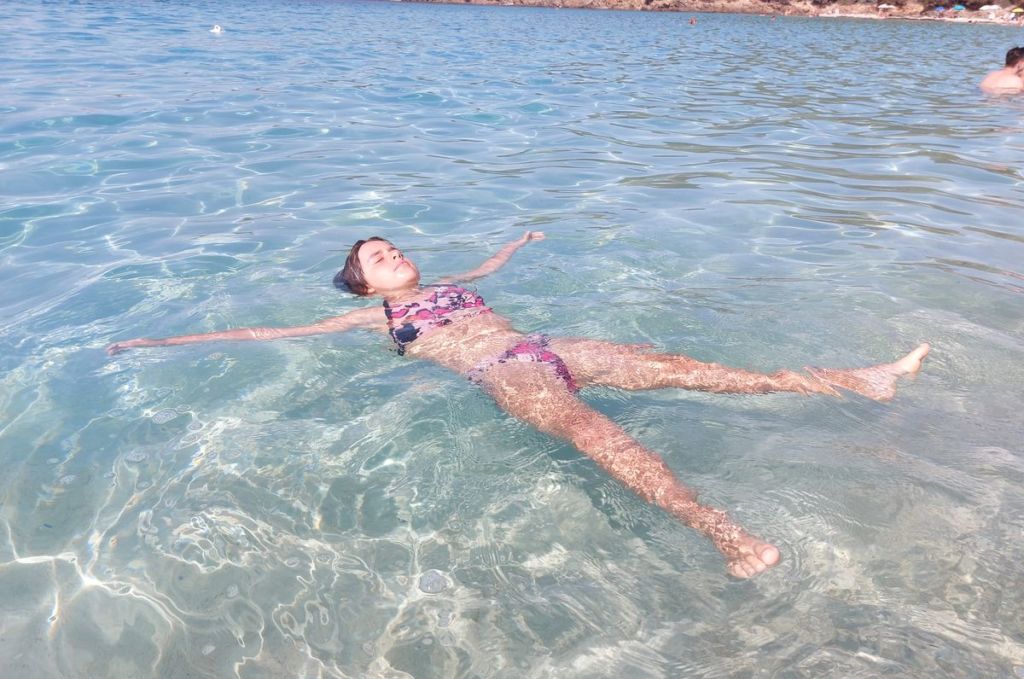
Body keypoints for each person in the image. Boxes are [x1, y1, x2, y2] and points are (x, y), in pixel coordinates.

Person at [108, 232, 930, 578]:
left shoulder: (458, 282)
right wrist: (159, 346)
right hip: (507, 376)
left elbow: (493, 265)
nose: (391, 255)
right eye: (374, 258)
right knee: (597, 436)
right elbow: (269, 332)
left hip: (554, 346)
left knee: (693, 368)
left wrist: (520, 242)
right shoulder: (375, 317)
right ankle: (725, 535)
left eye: (392, 246)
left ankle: (858, 378)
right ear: (364, 284)